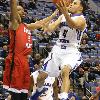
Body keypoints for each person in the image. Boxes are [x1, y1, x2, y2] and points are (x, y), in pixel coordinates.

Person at [3, 0, 58, 100]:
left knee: (25, 91)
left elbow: (41, 23)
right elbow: (13, 5)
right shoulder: (14, 24)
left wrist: (54, 14)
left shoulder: (26, 26)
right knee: (15, 93)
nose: (22, 12)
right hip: (16, 60)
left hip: (24, 61)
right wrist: (14, 4)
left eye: (23, 10)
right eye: (19, 10)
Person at [33, 0, 87, 99]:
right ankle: (39, 91)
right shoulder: (62, 17)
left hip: (71, 50)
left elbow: (73, 25)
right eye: (71, 2)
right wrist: (47, 26)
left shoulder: (82, 19)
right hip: (57, 49)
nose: (71, 4)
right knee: (41, 77)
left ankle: (64, 96)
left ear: (81, 8)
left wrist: (65, 12)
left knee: (65, 71)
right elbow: (51, 28)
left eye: (75, 3)